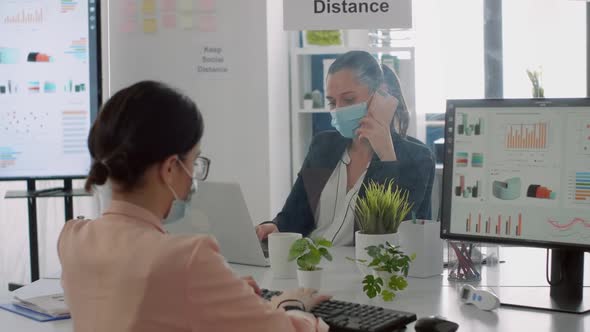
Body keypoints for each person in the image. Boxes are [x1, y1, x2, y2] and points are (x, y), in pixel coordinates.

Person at [58, 81, 330, 332]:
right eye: (194, 161)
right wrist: (289, 306)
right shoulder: (188, 258)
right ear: (169, 168)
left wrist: (223, 295)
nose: (194, 176)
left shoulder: (72, 239)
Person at [256, 51, 435, 245]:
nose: (338, 109)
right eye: (332, 102)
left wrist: (386, 156)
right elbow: (294, 215)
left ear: (382, 94)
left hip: (366, 271)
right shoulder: (323, 146)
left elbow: (389, 236)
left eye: (348, 100)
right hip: (311, 266)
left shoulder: (418, 158)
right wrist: (276, 227)